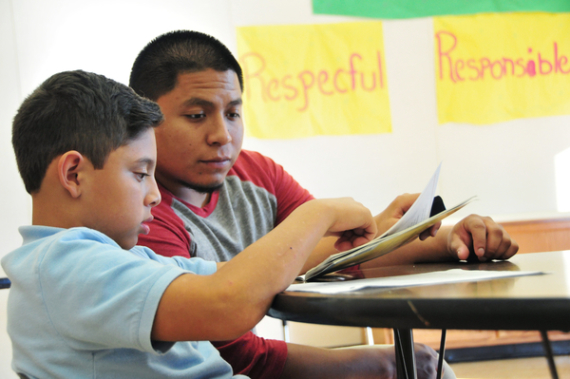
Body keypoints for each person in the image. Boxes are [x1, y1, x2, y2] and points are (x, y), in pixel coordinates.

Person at [2, 69, 444, 378]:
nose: (154, 194)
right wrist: (319, 213)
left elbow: (246, 277)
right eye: (140, 174)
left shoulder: (117, 259)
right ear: (74, 173)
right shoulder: (65, 265)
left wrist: (408, 240)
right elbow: (228, 305)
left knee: (425, 366)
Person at [130, 30, 516, 378]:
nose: (221, 134)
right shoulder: (140, 216)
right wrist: (371, 363)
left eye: (233, 113)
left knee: (429, 366)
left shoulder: (257, 174)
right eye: (197, 115)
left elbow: (332, 253)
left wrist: (451, 240)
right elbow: (225, 350)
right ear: (146, 119)